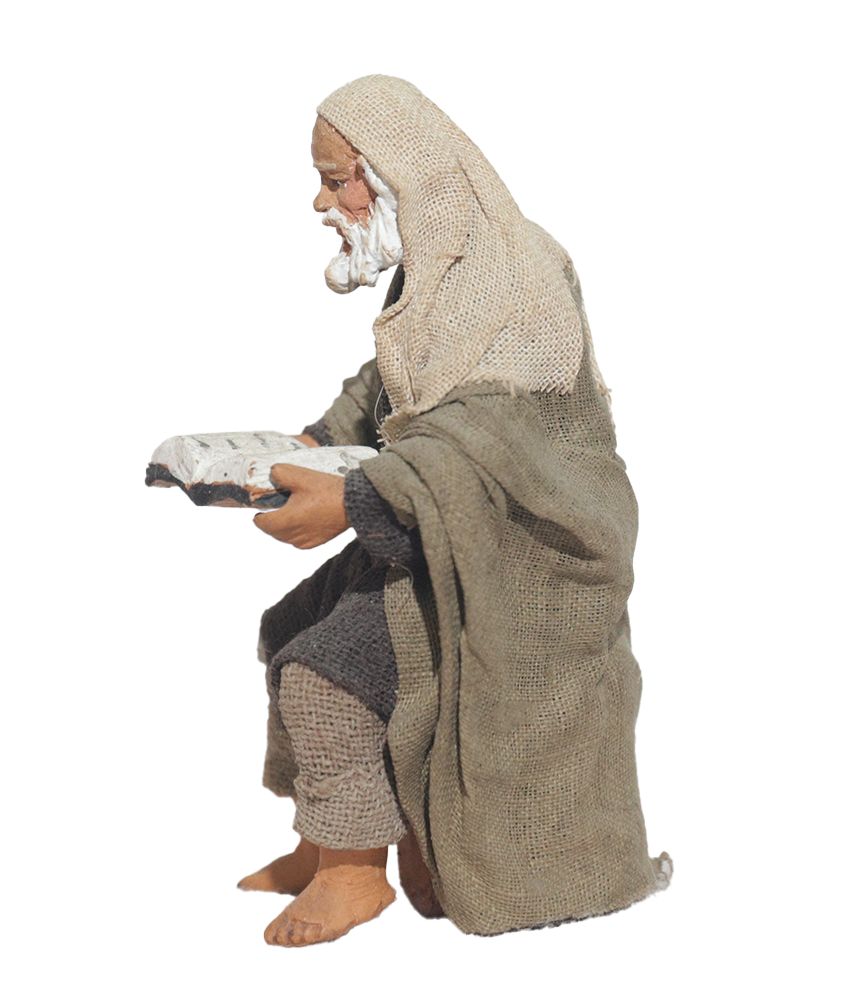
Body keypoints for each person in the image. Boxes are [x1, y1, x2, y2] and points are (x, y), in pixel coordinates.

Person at [237, 76, 670, 947]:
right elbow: (391, 383)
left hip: (523, 556)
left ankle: (355, 871)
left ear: (394, 174)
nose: (322, 203)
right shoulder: (434, 264)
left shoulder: (515, 278)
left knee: (327, 675)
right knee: (290, 628)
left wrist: (353, 498)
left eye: (336, 180)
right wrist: (315, 441)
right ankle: (326, 835)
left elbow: (494, 440)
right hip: (438, 524)